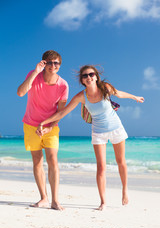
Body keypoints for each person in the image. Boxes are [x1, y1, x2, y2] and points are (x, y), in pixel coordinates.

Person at [36, 65, 144, 210]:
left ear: (96, 76)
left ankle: (124, 189)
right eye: (85, 76)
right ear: (82, 80)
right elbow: (63, 112)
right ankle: (103, 202)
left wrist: (135, 97)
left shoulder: (105, 87)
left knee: (121, 162)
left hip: (116, 129)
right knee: (101, 167)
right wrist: (44, 122)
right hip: (98, 132)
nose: (89, 77)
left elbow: (119, 94)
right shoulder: (82, 96)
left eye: (91, 74)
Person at [17, 50, 69, 210]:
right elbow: (20, 93)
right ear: (43, 63)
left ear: (59, 66)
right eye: (49, 62)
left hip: (51, 127)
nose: (53, 65)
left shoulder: (63, 85)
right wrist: (35, 73)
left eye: (56, 63)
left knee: (53, 160)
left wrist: (49, 128)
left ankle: (55, 200)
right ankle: (43, 198)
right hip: (31, 124)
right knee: (37, 161)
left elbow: (60, 112)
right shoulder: (34, 75)